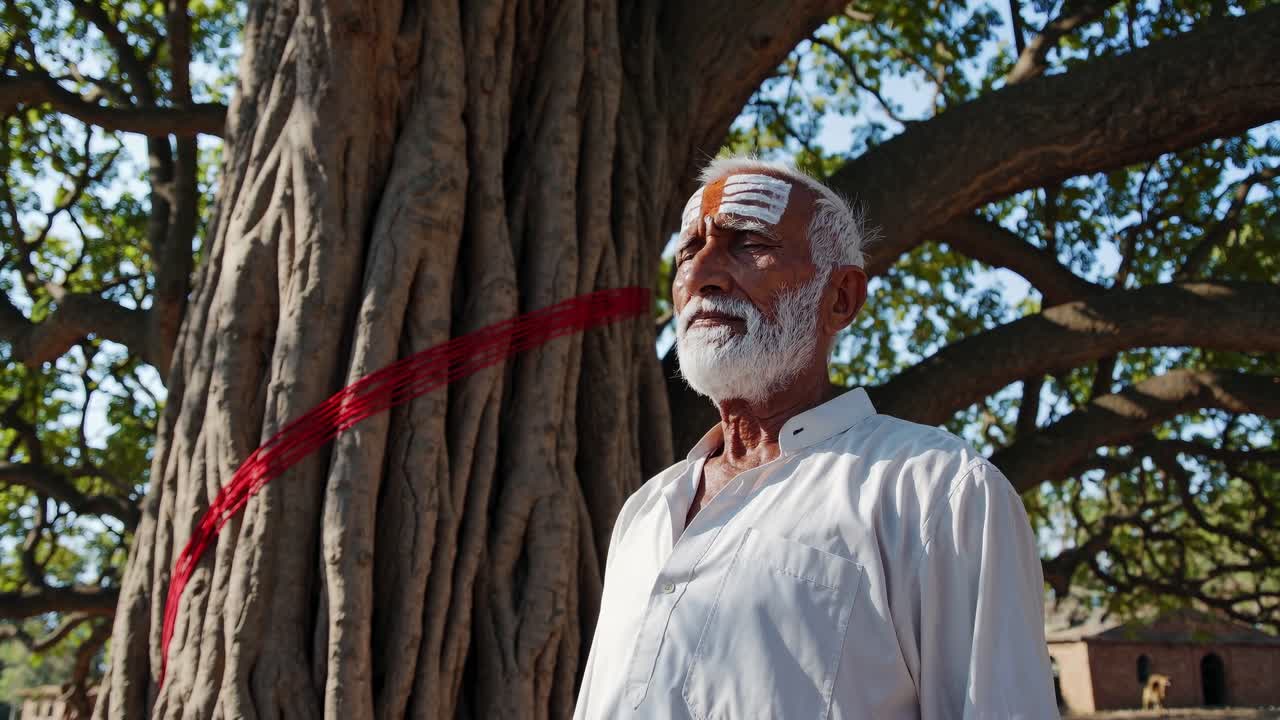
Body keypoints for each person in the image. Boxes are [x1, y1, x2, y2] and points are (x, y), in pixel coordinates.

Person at [573, 156, 1057, 719]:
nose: (703, 271)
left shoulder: (936, 495)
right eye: (688, 250)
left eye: (748, 241)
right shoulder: (645, 512)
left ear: (842, 298)